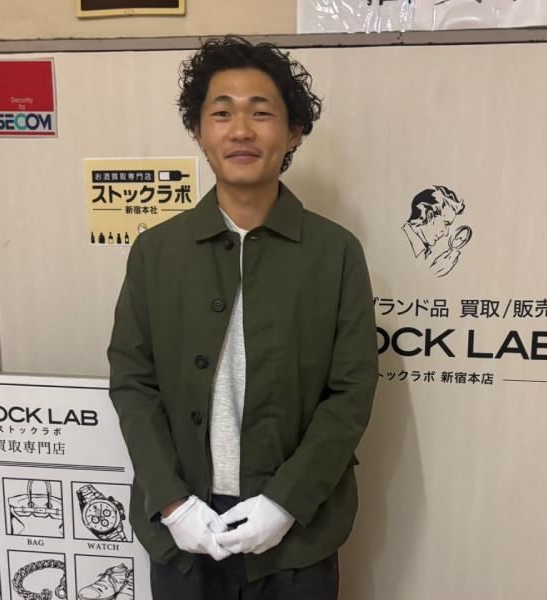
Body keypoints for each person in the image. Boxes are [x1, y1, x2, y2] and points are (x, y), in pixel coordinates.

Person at [108, 35, 378, 600]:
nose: (240, 131)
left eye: (261, 113)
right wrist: (172, 503)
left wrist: (286, 502)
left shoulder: (335, 253)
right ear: (198, 130)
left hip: (297, 538)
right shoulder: (157, 252)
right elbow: (133, 382)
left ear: (293, 132)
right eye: (222, 113)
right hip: (185, 531)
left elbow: (351, 392)